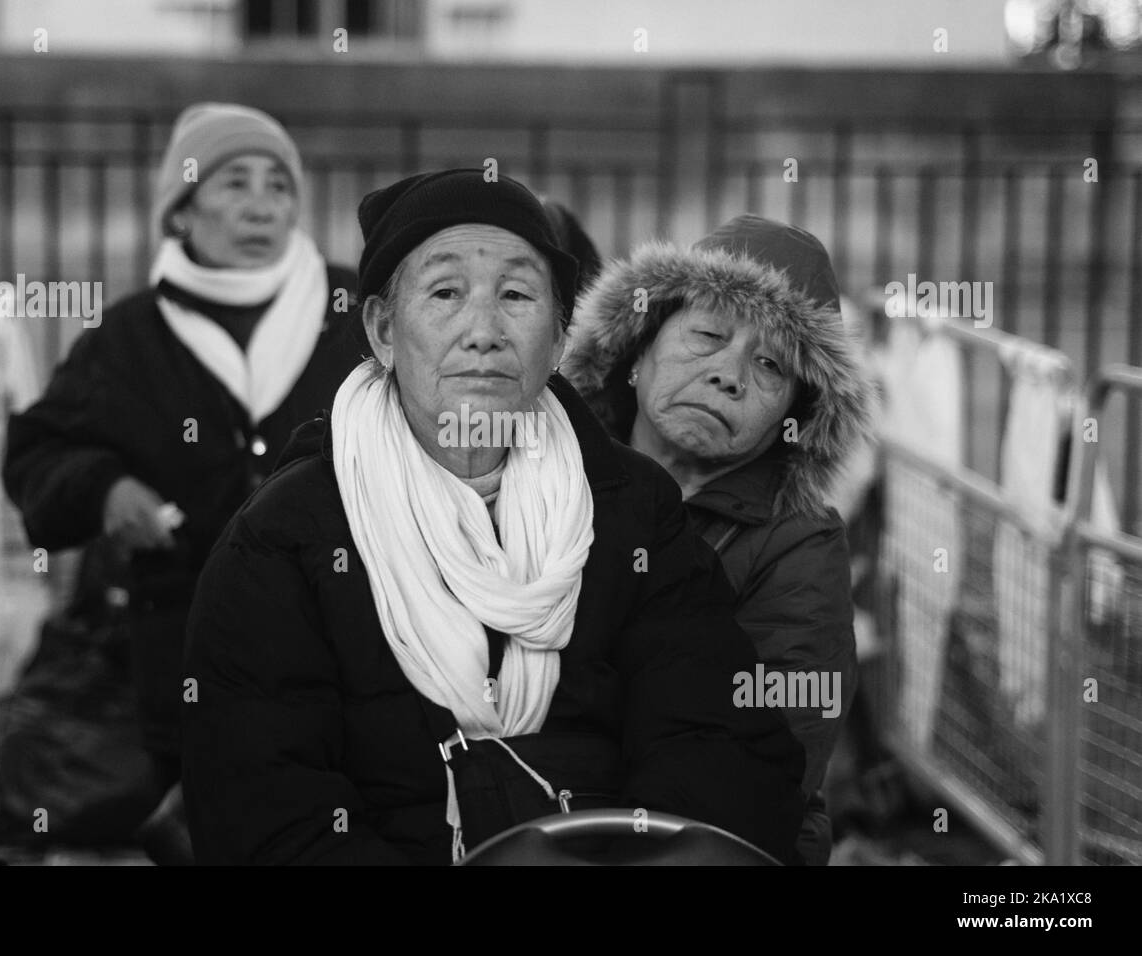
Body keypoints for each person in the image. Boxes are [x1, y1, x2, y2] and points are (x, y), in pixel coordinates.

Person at [181, 170, 806, 866]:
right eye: (446, 293)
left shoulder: (634, 512)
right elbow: (264, 812)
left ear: (560, 338)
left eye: (516, 296)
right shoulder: (287, 537)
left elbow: (715, 739)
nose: (483, 331)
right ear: (384, 330)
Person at [2, 103, 364, 810]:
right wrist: (105, 490)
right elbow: (38, 451)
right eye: (234, 184)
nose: (261, 206)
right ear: (181, 210)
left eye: (278, 186)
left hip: (349, 644)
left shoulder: (356, 311)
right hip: (187, 656)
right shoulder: (129, 338)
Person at [562, 214, 872, 865]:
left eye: (769, 364)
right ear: (637, 351)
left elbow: (765, 762)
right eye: (707, 334)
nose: (730, 374)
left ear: (796, 410)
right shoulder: (545, 473)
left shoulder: (801, 547)